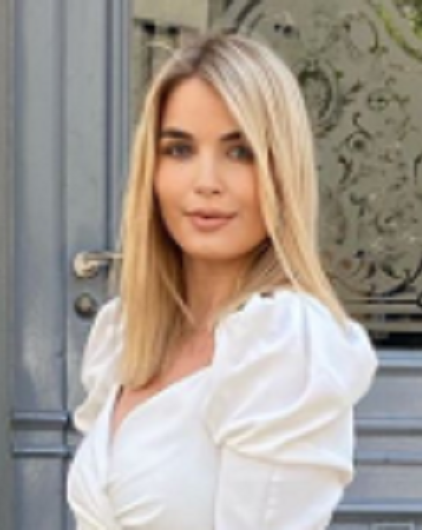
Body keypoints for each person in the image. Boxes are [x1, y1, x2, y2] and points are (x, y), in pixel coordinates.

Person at [67, 32, 378, 530]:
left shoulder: (282, 341)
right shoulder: (127, 335)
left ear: (282, 172)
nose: (206, 182)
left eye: (241, 152)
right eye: (179, 150)